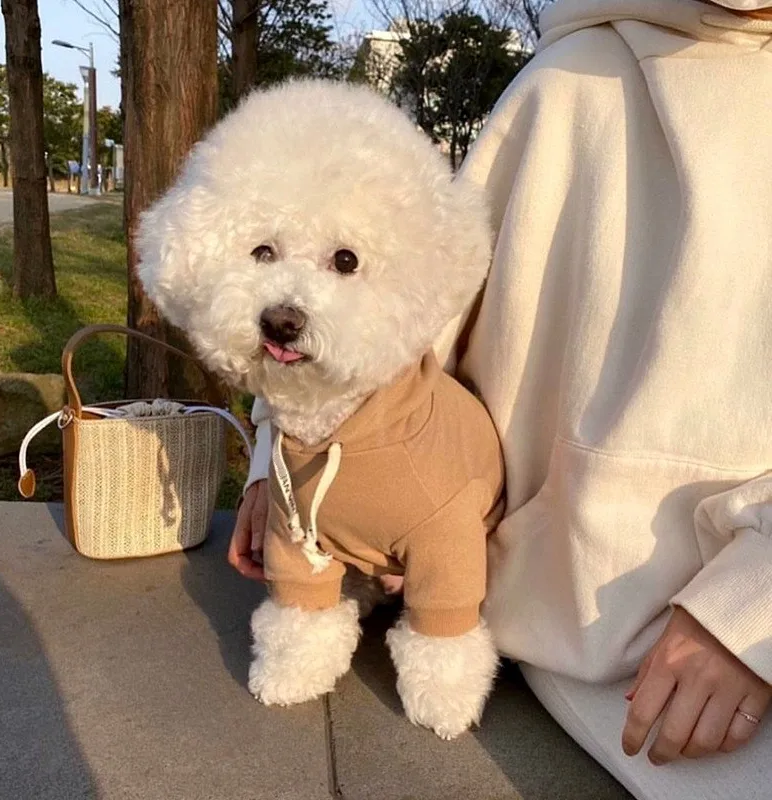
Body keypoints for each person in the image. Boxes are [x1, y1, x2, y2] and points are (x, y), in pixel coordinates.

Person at [230, 1, 772, 796]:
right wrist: (280, 466)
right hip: (523, 610)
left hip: (726, 653)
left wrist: (752, 607)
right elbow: (393, 313)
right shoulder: (561, 87)